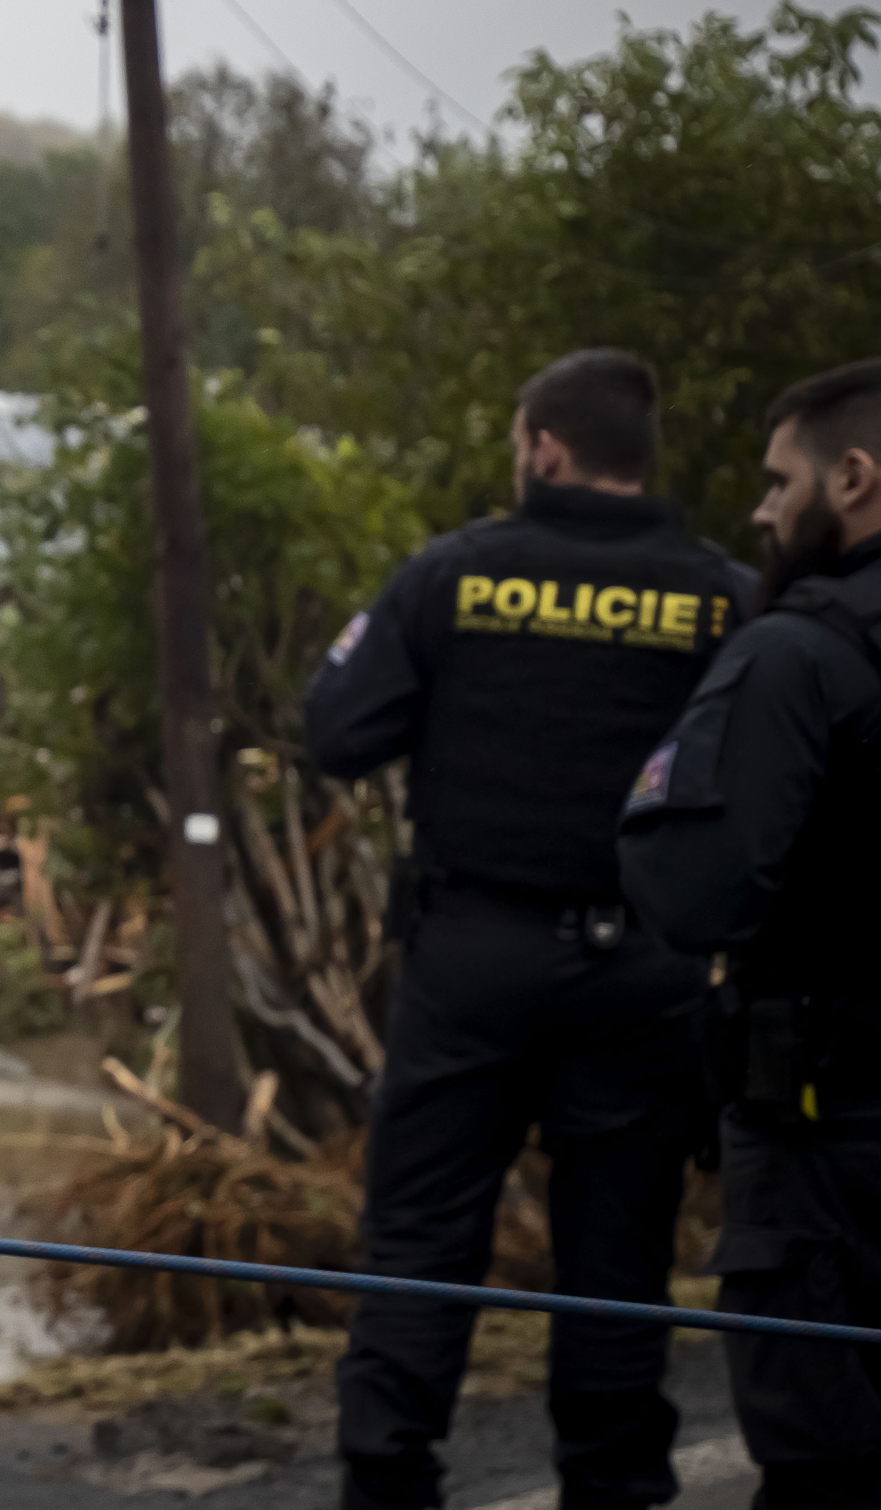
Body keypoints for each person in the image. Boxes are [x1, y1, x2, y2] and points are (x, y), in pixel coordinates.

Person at [305, 349, 753, 1510]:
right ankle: (615, 1486)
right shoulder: (717, 596)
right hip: (643, 967)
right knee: (616, 1256)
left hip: (471, 959)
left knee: (419, 1235)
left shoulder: (455, 573)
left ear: (542, 449)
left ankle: (387, 1478)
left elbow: (337, 728)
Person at [620, 356, 881, 1508]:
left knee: (824, 1468)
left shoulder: (797, 653)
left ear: (855, 477)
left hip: (834, 1154)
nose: (762, 512)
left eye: (781, 483)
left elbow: (692, 890)